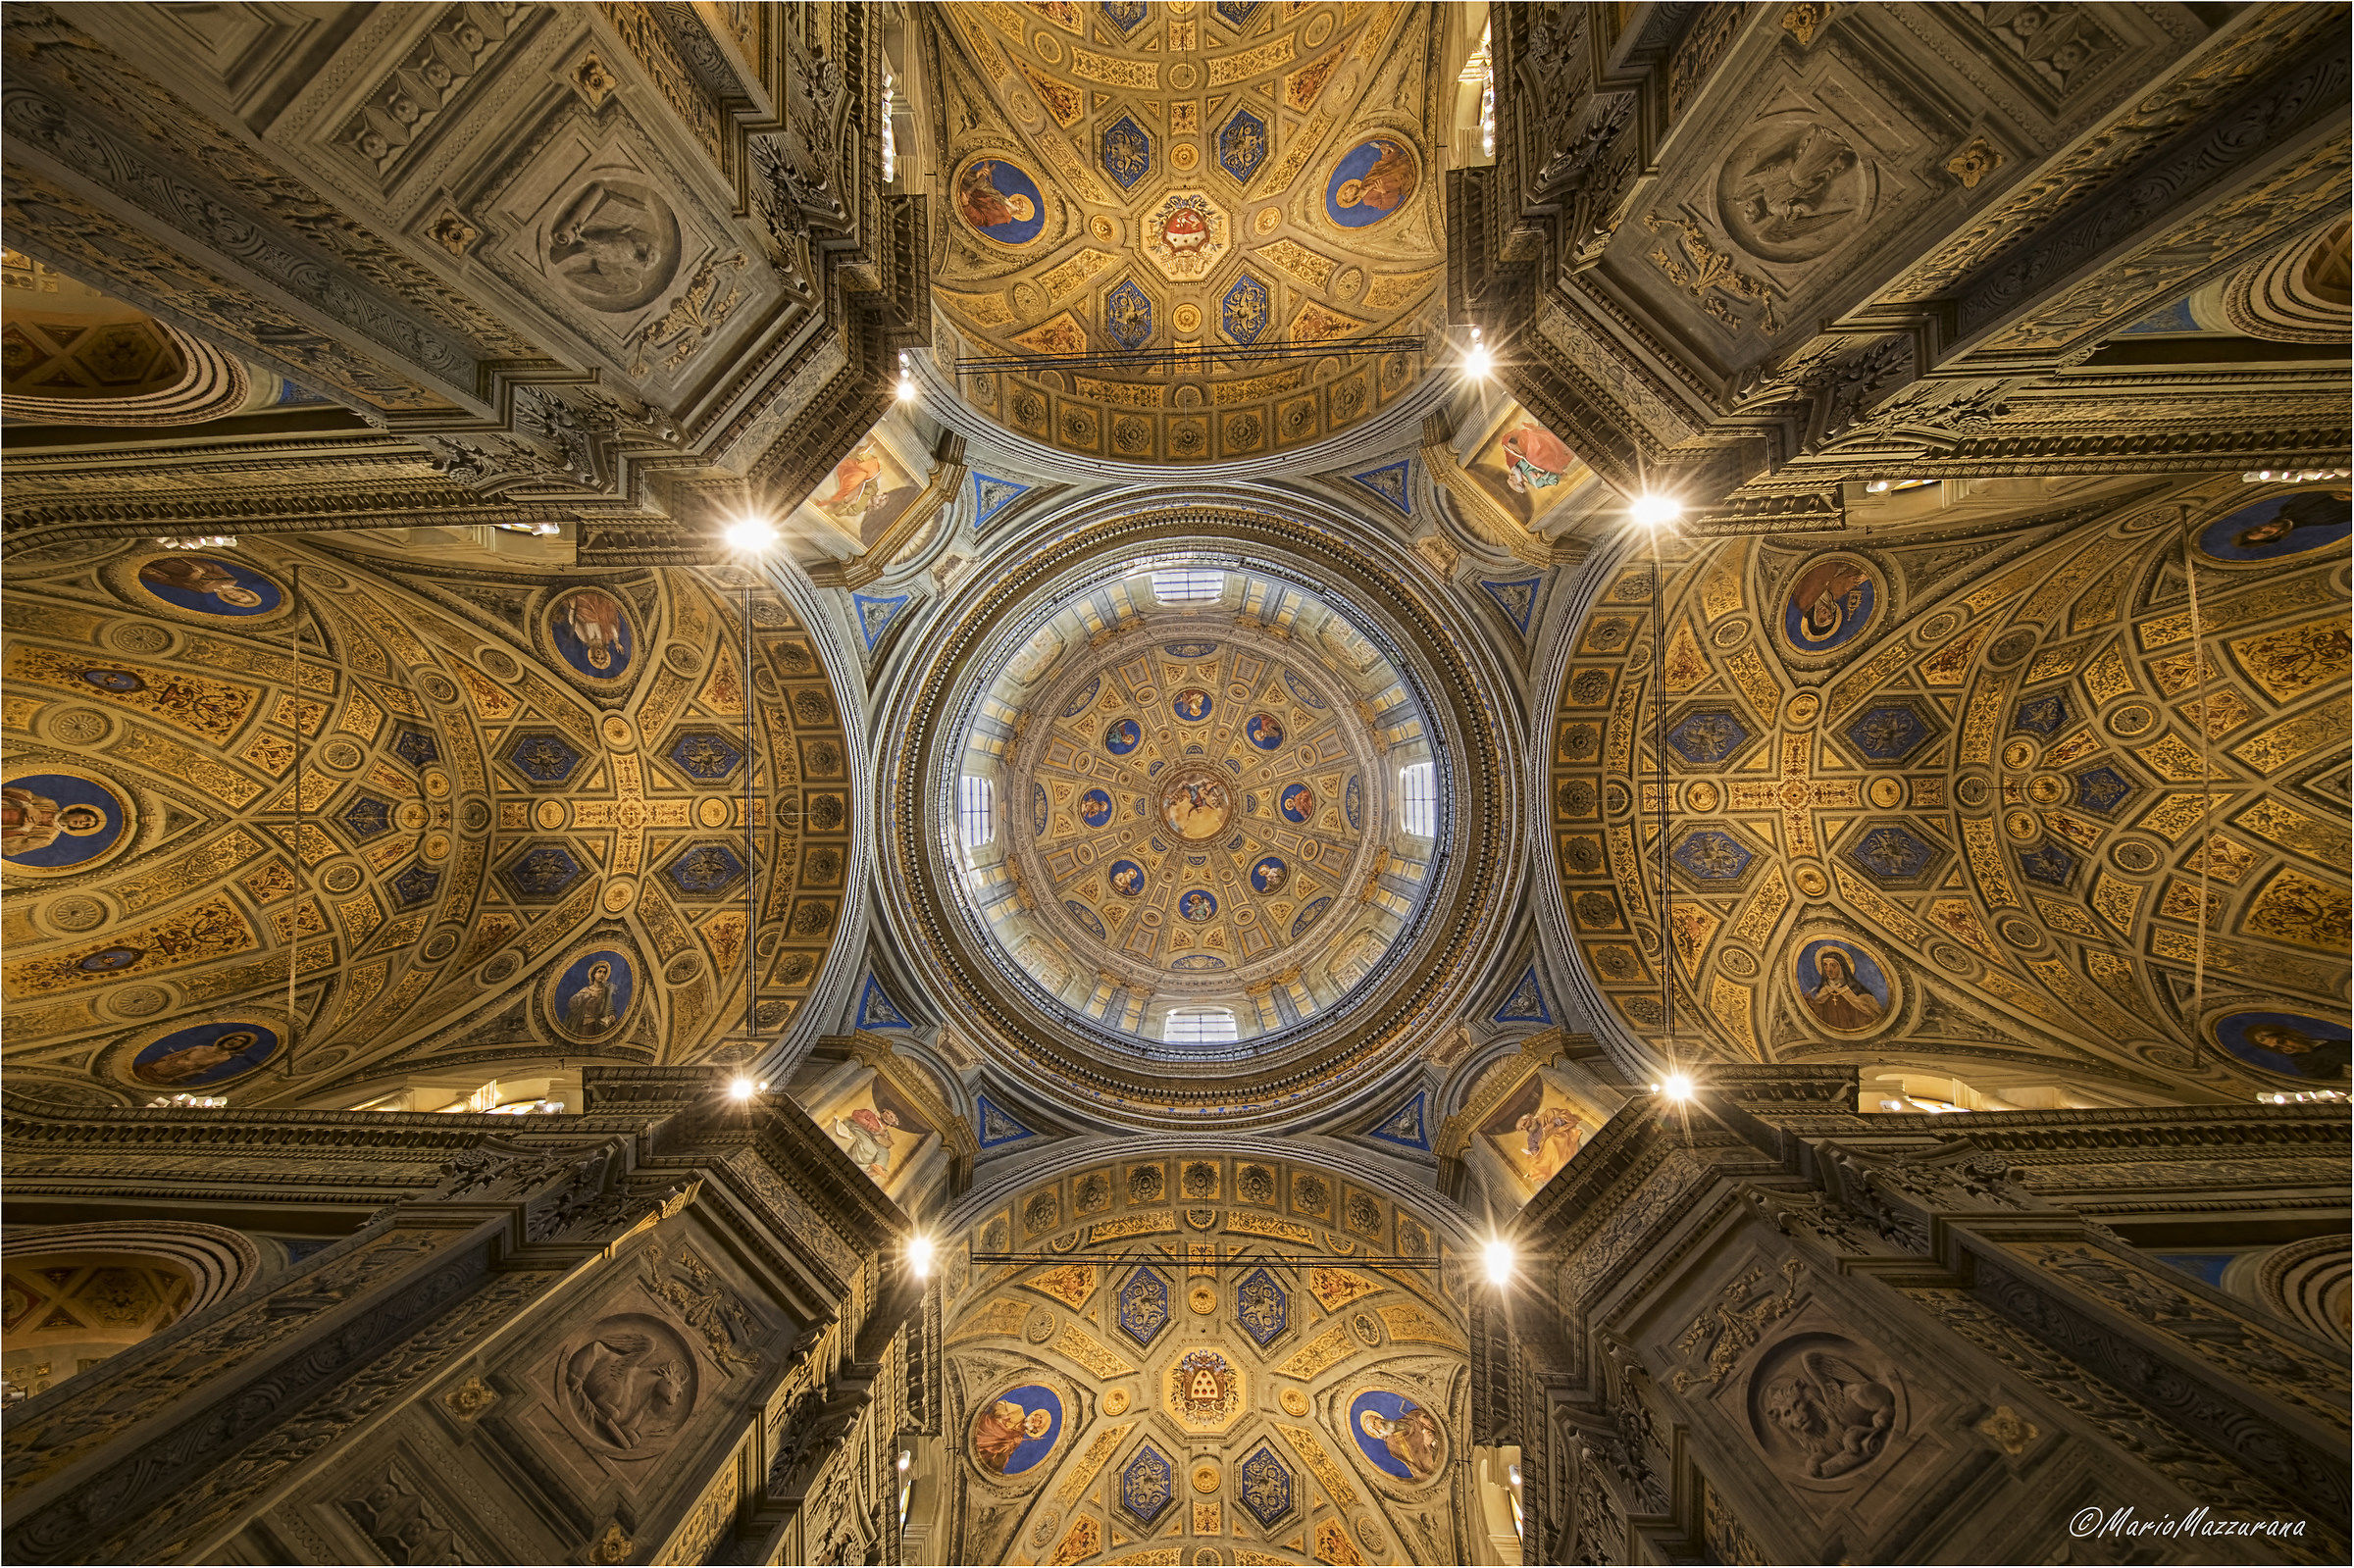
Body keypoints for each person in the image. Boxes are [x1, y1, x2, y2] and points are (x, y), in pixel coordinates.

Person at [1, 785, 106, 857]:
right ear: (77, 811)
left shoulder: (47, 838)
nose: (82, 823)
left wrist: (25, 829)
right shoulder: (49, 804)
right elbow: (18, 792)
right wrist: (29, 807)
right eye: (86, 818)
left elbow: (10, 849)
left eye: (86, 825)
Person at [1358, 1399, 1444, 1481]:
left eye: (1377, 1418)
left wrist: (1420, 1418)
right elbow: (1415, 1458)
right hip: (1435, 1451)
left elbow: (1411, 1417)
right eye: (1374, 1423)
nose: (1379, 1421)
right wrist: (1426, 1444)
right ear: (1376, 1431)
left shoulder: (1397, 1424)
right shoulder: (1392, 1443)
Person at [1791, 559, 1871, 643]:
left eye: (1822, 619)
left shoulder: (1803, 602)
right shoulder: (1832, 597)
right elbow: (1851, 581)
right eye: (1830, 616)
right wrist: (1863, 576)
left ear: (1814, 619)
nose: (1826, 613)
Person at [135, 1031, 257, 1087]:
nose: (235, 1042)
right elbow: (175, 1055)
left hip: (173, 1074)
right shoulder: (201, 1047)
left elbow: (201, 1071)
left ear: (241, 1046)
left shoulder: (224, 1058)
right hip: (163, 1065)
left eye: (239, 1042)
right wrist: (159, 1061)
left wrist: (175, 1078)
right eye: (235, 1039)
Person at [1803, 947, 1882, 1032]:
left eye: (1833, 965)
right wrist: (1811, 1003)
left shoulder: (1856, 992)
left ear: (1842, 968)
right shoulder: (1824, 991)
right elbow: (1820, 1014)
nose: (1828, 970)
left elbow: (1869, 1015)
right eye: (1825, 965)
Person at [139, 555, 264, 609]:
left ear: (230, 599)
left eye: (236, 599)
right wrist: (201, 570)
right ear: (244, 592)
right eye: (242, 596)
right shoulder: (230, 580)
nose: (236, 595)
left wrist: (191, 578)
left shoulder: (205, 590)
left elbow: (178, 583)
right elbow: (213, 567)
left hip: (171, 571)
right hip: (188, 564)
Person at [2243, 1022, 2351, 1081]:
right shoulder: (2306, 1063)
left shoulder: (2321, 1041)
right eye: (2279, 1046)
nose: (2287, 1046)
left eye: (2282, 1040)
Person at [973, 1396, 1052, 1473]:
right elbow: (999, 1404)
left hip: (983, 1447)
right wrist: (1002, 1415)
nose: (1036, 1419)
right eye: (1039, 1417)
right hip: (982, 1426)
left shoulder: (1018, 1438)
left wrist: (1010, 1445)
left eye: (1039, 1422)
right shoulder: (1018, 1410)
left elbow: (1000, 1459)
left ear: (1035, 1430)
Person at [559, 590, 629, 673]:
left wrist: (573, 607)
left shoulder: (585, 639)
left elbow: (572, 622)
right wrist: (616, 642)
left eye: (596, 657)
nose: (599, 656)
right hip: (599, 609)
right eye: (602, 658)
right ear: (605, 654)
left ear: (593, 655)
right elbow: (612, 626)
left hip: (584, 609)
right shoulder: (606, 638)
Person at [956, 160, 1034, 231]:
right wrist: (977, 175)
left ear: (1020, 211)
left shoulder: (1001, 217)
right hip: (962, 187)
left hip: (960, 200)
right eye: (1018, 200)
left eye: (1019, 203)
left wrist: (966, 205)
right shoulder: (1001, 198)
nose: (1016, 201)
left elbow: (979, 219)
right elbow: (984, 188)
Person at [1499, 422, 1572, 494]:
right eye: (1511, 479)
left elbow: (1511, 451)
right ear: (1519, 484)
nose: (1510, 475)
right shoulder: (1536, 483)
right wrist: (1543, 476)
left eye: (1509, 478)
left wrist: (1513, 444)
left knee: (1531, 454)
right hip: (1552, 458)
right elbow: (1554, 479)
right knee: (1535, 459)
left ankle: (1543, 432)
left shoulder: (1516, 466)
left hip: (1537, 446)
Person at [564, 960, 619, 1035]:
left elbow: (609, 1008)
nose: (602, 974)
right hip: (586, 1024)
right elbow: (572, 1004)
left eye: (604, 972)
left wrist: (611, 1015)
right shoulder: (586, 990)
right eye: (599, 971)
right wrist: (586, 997)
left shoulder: (606, 990)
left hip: (600, 1025)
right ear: (594, 974)